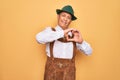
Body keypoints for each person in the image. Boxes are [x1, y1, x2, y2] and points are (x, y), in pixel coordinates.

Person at [36, 5, 92, 80]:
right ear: (58, 16)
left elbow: (89, 52)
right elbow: (38, 38)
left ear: (70, 21)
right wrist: (62, 33)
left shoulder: (74, 36)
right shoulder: (50, 32)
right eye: (63, 16)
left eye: (68, 17)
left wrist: (81, 42)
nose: (65, 19)